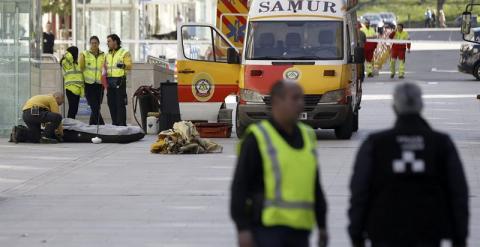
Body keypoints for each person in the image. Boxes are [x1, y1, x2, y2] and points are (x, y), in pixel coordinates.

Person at [348, 83, 469, 247]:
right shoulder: (440, 143)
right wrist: (459, 236)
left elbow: (360, 191)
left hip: (384, 232)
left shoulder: (376, 144)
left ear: (394, 108)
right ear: (421, 106)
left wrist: (356, 233)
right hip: (429, 232)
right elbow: (458, 192)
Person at [231, 80, 328, 247]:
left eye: (302, 99)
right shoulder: (258, 137)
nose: (301, 104)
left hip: (300, 231)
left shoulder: (308, 136)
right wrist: (243, 229)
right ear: (276, 102)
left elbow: (314, 185)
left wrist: (322, 225)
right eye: (295, 98)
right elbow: (240, 186)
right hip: (268, 230)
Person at [106, 34, 132, 126]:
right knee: (111, 103)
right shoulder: (108, 54)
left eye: (109, 41)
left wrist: (123, 65)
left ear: (115, 41)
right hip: (109, 81)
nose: (107, 43)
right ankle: (115, 123)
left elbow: (129, 65)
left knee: (120, 103)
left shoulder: (124, 52)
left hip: (119, 80)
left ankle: (121, 124)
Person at [79, 36, 106, 125]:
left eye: (95, 43)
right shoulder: (84, 54)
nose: (94, 44)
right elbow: (81, 68)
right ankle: (101, 125)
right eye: (92, 43)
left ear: (98, 44)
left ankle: (92, 125)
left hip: (99, 84)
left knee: (97, 107)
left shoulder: (103, 55)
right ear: (90, 44)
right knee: (94, 106)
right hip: (89, 84)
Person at [61, 46, 84, 119]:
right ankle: (69, 126)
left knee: (74, 110)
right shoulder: (66, 62)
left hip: (77, 89)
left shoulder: (76, 64)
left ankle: (72, 125)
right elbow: (68, 58)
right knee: (72, 108)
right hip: (70, 88)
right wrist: (68, 53)